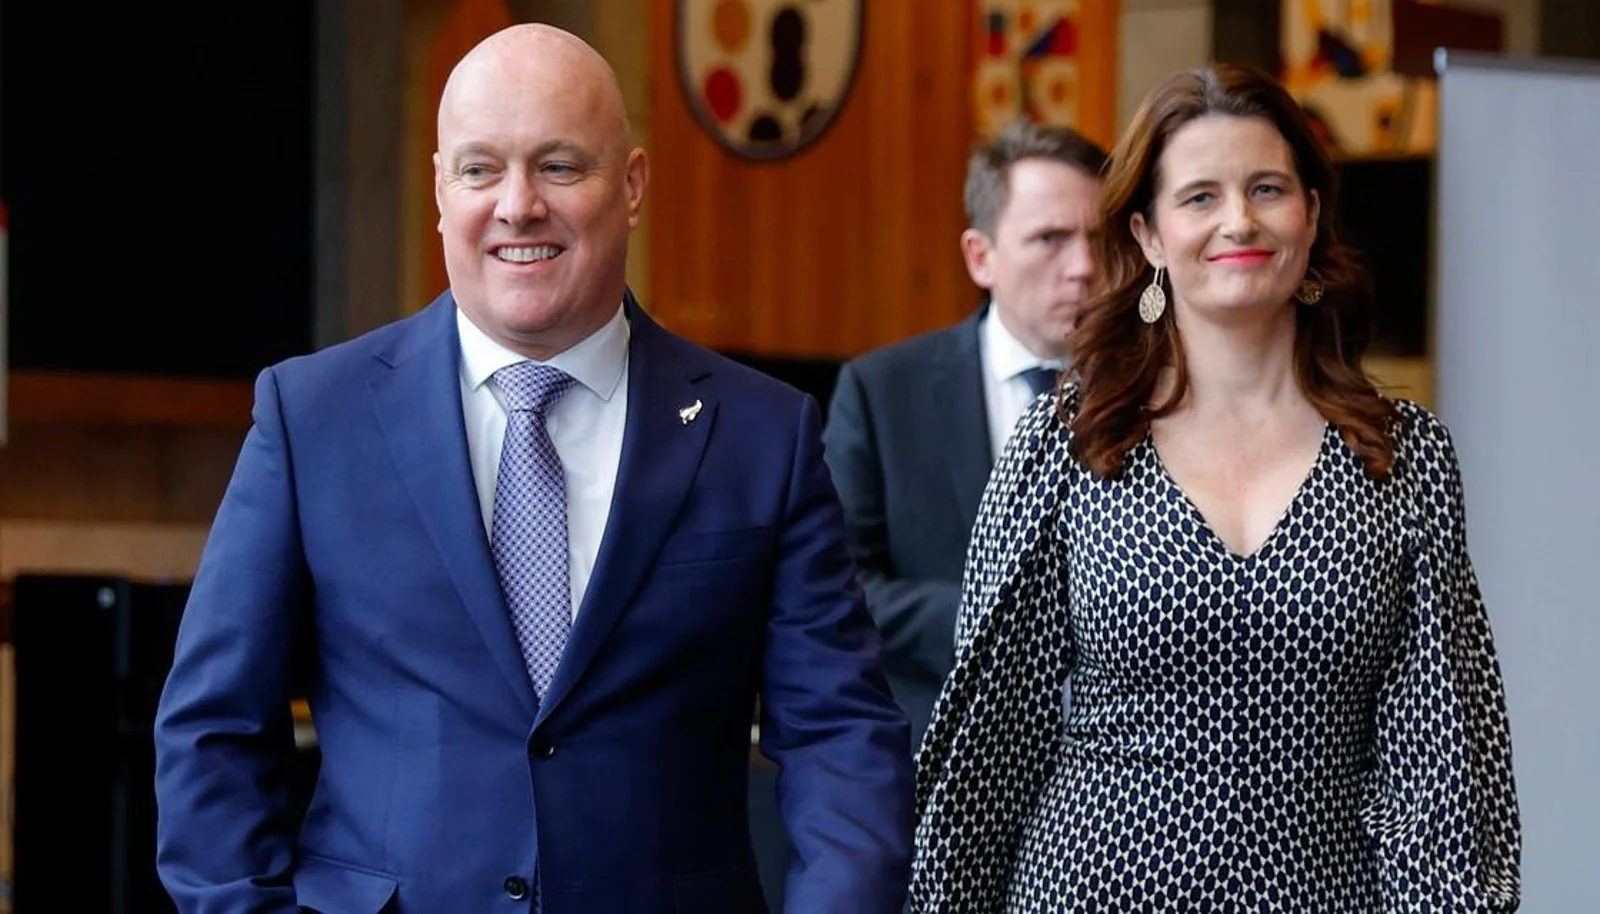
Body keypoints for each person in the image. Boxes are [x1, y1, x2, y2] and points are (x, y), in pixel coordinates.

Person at [153, 23, 914, 913]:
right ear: (440, 191)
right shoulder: (312, 418)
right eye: (480, 169)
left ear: (632, 185)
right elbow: (214, 729)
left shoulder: (763, 436)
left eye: (558, 166)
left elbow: (840, 737)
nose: (517, 206)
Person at [910, 63, 1521, 912]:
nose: (1239, 219)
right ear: (1150, 236)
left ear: (1311, 213)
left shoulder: (1403, 455)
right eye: (1200, 196)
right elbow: (992, 739)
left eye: (1267, 188)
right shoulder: (1065, 440)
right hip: (1088, 890)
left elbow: (1444, 758)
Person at [822, 120, 1106, 749]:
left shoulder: (1162, 395)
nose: (1084, 267)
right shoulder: (882, 393)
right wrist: (1006, 624)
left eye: (1099, 238)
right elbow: (836, 584)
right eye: (1050, 239)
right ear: (981, 257)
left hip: (1119, 767)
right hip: (942, 751)